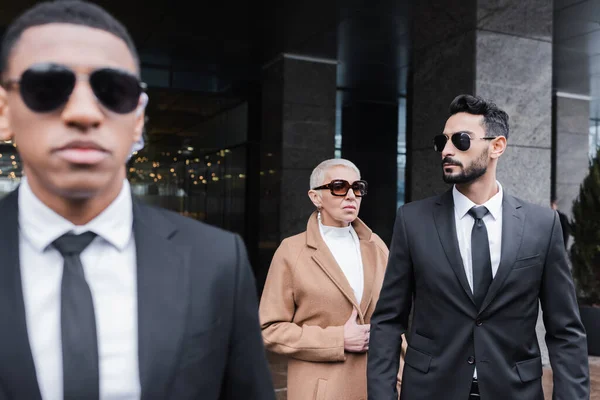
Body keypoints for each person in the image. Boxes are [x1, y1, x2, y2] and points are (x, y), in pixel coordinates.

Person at [0, 2, 274, 399]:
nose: (83, 113)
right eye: (47, 87)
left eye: (112, 90)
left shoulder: (216, 261)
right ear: (5, 110)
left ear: (138, 118)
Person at [367, 94, 589, 400]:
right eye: (441, 141)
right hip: (430, 391)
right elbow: (388, 321)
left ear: (496, 146)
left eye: (460, 140)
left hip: (515, 391)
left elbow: (565, 331)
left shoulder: (542, 225)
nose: (446, 150)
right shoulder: (412, 221)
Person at [259, 159, 406, 400]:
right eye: (339, 187)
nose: (350, 195)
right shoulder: (292, 251)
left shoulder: (376, 245)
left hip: (379, 387)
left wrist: (404, 375)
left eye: (357, 188)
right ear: (316, 197)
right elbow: (269, 329)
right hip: (323, 390)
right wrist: (338, 339)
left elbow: (392, 320)